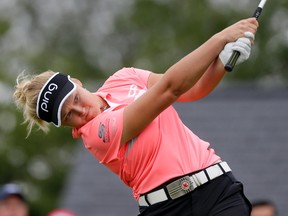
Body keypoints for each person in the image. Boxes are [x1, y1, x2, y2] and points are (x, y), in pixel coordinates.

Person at [13, 17, 258, 215]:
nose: (80, 111)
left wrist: (221, 63)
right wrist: (220, 39)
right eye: (68, 116)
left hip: (217, 188)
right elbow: (170, 89)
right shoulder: (95, 136)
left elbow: (192, 89)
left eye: (75, 99)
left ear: (77, 82)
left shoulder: (124, 77)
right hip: (167, 209)